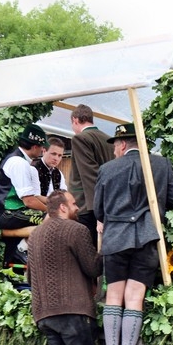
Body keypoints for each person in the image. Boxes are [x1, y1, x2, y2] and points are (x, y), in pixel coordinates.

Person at [94, 123, 173, 345]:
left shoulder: (107, 169)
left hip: (115, 238)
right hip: (147, 237)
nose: (114, 150)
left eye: (115, 146)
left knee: (114, 295)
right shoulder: (161, 164)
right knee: (135, 298)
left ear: (122, 144)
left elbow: (98, 209)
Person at [27, 190, 104, 345]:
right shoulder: (76, 230)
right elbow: (93, 267)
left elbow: (30, 278)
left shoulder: (35, 235)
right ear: (61, 207)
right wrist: (104, 243)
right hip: (73, 310)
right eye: (72, 203)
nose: (77, 207)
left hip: (44, 313)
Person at [0, 124, 50, 265]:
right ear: (35, 147)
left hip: (13, 210)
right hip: (6, 213)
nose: (43, 150)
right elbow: (29, 201)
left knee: (53, 215)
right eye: (42, 147)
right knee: (51, 218)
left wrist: (55, 202)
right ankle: (22, 248)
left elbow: (34, 196)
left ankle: (23, 247)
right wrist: (51, 210)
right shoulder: (19, 163)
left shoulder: (21, 161)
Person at [70, 104, 115, 247]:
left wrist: (98, 212)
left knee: (87, 252)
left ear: (75, 120)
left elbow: (90, 176)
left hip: (87, 206)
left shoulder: (80, 139)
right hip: (109, 202)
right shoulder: (109, 140)